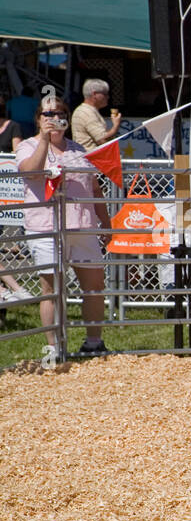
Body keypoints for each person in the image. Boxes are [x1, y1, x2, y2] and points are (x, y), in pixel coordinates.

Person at [16, 94, 113, 354]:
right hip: (46, 227)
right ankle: (54, 347)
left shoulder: (78, 149)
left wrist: (105, 221)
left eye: (60, 114)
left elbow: (94, 187)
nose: (55, 118)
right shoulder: (27, 145)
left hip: (83, 225)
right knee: (52, 288)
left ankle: (94, 342)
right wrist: (45, 140)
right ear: (38, 119)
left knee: (94, 286)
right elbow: (32, 172)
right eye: (48, 114)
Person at [70, 79, 120, 150]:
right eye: (105, 94)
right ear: (95, 94)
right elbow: (103, 140)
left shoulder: (86, 110)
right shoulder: (87, 112)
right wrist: (116, 125)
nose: (108, 97)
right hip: (90, 158)